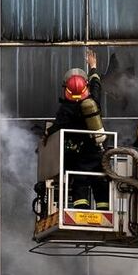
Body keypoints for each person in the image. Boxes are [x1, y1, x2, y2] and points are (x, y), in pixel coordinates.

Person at [44, 50, 106, 208]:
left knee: (80, 179)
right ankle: (104, 208)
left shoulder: (66, 109)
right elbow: (96, 85)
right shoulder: (93, 103)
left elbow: (57, 127)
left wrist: (46, 134)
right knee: (99, 180)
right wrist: (93, 67)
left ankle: (81, 209)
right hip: (96, 151)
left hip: (78, 153)